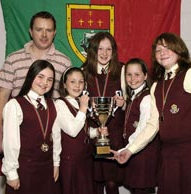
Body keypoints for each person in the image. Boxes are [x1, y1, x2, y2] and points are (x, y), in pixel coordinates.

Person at [114, 32, 191, 194]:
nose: (162, 53)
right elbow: (152, 125)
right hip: (168, 156)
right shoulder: (157, 86)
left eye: (167, 48)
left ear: (179, 50)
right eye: (158, 50)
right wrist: (130, 150)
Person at [0, 11, 72, 153]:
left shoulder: (64, 62)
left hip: (52, 134)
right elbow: (2, 97)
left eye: (48, 30)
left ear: (54, 33)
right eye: (39, 30)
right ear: (31, 32)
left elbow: (68, 101)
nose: (44, 35)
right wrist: (0, 132)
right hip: (20, 132)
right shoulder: (13, 59)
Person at [1, 60, 60, 194]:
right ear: (31, 76)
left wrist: (56, 164)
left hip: (47, 168)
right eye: (40, 77)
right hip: (25, 170)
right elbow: (11, 143)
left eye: (50, 79)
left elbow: (56, 138)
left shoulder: (53, 105)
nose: (45, 83)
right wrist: (11, 173)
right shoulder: (15, 105)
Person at [52, 67, 108, 194]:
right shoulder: (60, 104)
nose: (77, 86)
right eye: (72, 82)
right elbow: (72, 130)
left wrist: (97, 132)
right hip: (70, 162)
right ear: (64, 84)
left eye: (81, 82)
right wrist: (83, 108)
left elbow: (84, 130)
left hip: (85, 159)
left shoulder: (79, 102)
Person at [81, 31, 125, 194]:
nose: (105, 54)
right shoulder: (83, 72)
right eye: (100, 49)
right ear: (93, 50)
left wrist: (124, 103)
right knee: (94, 182)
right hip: (93, 134)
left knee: (112, 183)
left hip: (114, 134)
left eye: (109, 49)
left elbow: (135, 102)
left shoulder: (122, 70)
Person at [122, 58, 159, 194]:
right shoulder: (133, 96)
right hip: (135, 152)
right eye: (129, 74)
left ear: (145, 76)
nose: (132, 79)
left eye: (137, 74)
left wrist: (126, 149)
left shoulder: (147, 98)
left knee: (142, 190)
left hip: (144, 154)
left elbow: (143, 129)